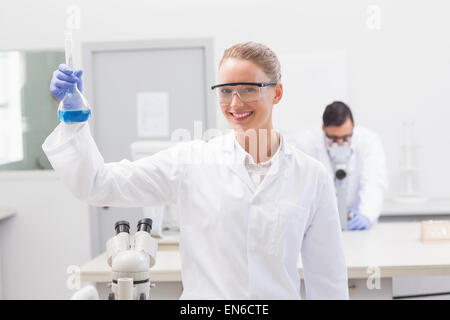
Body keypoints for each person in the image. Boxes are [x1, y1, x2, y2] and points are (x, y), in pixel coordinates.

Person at [42, 42, 348, 299]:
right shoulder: (191, 162)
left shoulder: (311, 175)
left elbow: (328, 279)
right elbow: (97, 184)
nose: (235, 102)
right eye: (225, 91)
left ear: (277, 93)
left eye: (248, 89)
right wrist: (73, 120)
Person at [295, 101, 388, 230]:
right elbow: (301, 189)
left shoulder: (369, 142)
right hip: (319, 226)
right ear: (323, 129)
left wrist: (366, 214)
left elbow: (374, 182)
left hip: (357, 222)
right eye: (333, 138)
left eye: (345, 138)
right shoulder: (306, 144)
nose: (339, 144)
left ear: (353, 127)